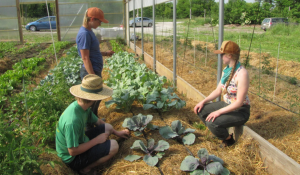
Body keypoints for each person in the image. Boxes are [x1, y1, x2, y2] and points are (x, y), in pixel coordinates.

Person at [56, 74, 129, 174]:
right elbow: (72, 151)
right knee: (114, 146)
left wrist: (117, 133)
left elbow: (98, 122)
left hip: (81, 140)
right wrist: (96, 141)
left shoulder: (82, 107)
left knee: (108, 127)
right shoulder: (72, 121)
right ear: (94, 98)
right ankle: (85, 169)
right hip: (73, 159)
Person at [194, 41, 250, 147]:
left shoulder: (242, 74)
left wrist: (218, 112)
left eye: (222, 54)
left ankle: (229, 140)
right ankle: (219, 132)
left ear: (229, 55)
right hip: (227, 104)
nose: (220, 57)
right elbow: (218, 91)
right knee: (200, 110)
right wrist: (203, 101)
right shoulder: (227, 70)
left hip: (240, 111)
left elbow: (239, 103)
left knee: (212, 122)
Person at [76, 7, 115, 116]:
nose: (100, 24)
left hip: (93, 70)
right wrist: (93, 77)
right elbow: (85, 58)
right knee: (91, 100)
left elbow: (92, 52)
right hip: (90, 71)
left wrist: (105, 53)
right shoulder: (84, 34)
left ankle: (93, 120)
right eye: (99, 21)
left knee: (95, 99)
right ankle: (89, 126)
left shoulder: (89, 31)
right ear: (92, 19)